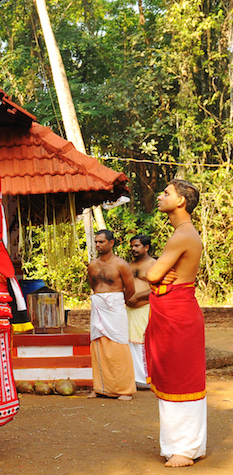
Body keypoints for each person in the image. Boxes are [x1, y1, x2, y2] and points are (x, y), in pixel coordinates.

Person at [145, 179, 205, 467]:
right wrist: (157, 273)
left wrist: (154, 273)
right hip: (173, 312)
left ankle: (186, 449)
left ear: (181, 201)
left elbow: (153, 274)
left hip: (178, 314)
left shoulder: (182, 235)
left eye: (166, 193)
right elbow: (157, 274)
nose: (160, 196)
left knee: (182, 379)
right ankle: (183, 445)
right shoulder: (182, 233)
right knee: (172, 376)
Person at [86, 229, 136, 400]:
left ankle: (124, 389)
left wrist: (117, 302)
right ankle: (100, 388)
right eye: (97, 242)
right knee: (98, 344)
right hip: (98, 304)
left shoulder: (121, 264)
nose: (98, 245)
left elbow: (130, 289)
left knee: (118, 346)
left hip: (115, 306)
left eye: (102, 242)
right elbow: (93, 286)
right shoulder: (92, 265)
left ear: (111, 242)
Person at [126, 234, 156, 389]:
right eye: (132, 246)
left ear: (146, 247)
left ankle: (146, 378)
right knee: (130, 342)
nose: (133, 249)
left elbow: (157, 288)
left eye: (137, 246)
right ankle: (134, 377)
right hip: (128, 309)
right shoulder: (128, 265)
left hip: (145, 308)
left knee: (143, 342)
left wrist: (138, 296)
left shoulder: (154, 264)